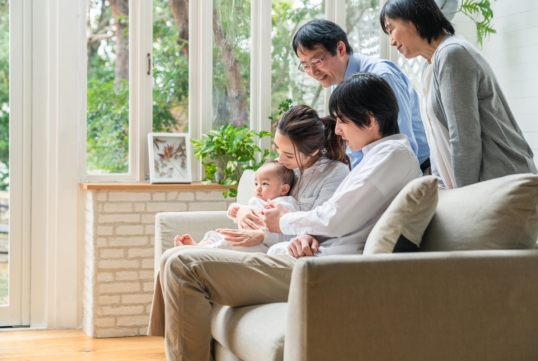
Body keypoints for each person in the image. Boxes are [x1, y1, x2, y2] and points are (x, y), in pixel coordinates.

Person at [148, 73, 420, 360]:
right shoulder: (374, 157)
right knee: (174, 259)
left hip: (325, 268)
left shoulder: (392, 155)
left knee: (181, 263)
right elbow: (340, 216)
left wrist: (284, 223)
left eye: (343, 121)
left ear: (370, 119)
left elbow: (335, 217)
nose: (337, 130)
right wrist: (298, 232)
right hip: (306, 257)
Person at [380, 0, 537, 188]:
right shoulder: (428, 66)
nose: (391, 40)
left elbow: (464, 138)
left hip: (504, 181)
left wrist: (464, 197)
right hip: (478, 187)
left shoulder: (452, 53)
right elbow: (436, 140)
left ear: (414, 20)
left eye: (391, 29)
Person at [292, 19, 431, 173]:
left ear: (340, 48)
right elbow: (355, 147)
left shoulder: (382, 76)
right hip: (378, 168)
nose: (312, 72)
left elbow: (404, 145)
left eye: (316, 61)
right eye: (305, 65)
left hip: (418, 166)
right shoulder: (336, 80)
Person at [216, 104, 351, 246]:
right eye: (278, 149)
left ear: (313, 151)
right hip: (262, 236)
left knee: (225, 245)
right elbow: (258, 201)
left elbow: (318, 226)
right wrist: (241, 212)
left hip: (285, 246)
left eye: (288, 155)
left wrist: (263, 235)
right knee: (215, 237)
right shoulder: (282, 167)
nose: (279, 159)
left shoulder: (335, 172)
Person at [173, 161, 298, 253]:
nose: (258, 188)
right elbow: (240, 211)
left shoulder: (284, 204)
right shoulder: (257, 200)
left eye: (264, 183)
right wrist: (235, 211)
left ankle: (199, 252)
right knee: (214, 235)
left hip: (262, 245)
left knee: (230, 243)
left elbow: (289, 230)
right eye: (256, 183)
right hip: (243, 234)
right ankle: (199, 247)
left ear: (284, 189)